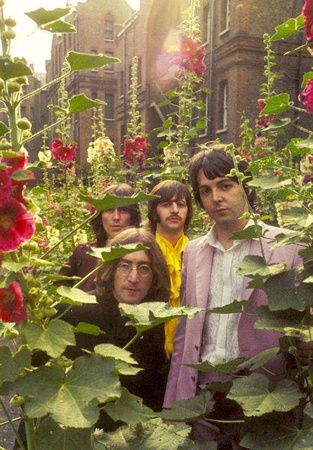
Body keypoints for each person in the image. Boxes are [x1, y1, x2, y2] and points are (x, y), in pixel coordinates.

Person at [163, 143, 304, 447]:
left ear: (245, 186)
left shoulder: (286, 246)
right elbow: (185, 334)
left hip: (262, 393)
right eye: (205, 190)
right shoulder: (193, 252)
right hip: (204, 396)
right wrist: (173, 406)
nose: (216, 198)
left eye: (225, 185)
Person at [62, 227, 170, 416]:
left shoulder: (154, 319)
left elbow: (155, 390)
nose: (133, 277)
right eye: (124, 265)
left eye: (144, 268)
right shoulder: (78, 310)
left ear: (155, 276)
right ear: (111, 269)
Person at [57, 183, 141, 292]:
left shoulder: (141, 254)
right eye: (109, 210)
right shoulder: (84, 252)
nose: (116, 217)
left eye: (123, 210)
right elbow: (59, 283)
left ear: (133, 216)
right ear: (100, 216)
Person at [147, 180, 193, 358]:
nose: (174, 210)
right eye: (166, 204)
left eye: (181, 204)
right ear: (154, 210)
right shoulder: (143, 251)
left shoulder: (198, 252)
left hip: (189, 351)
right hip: (151, 352)